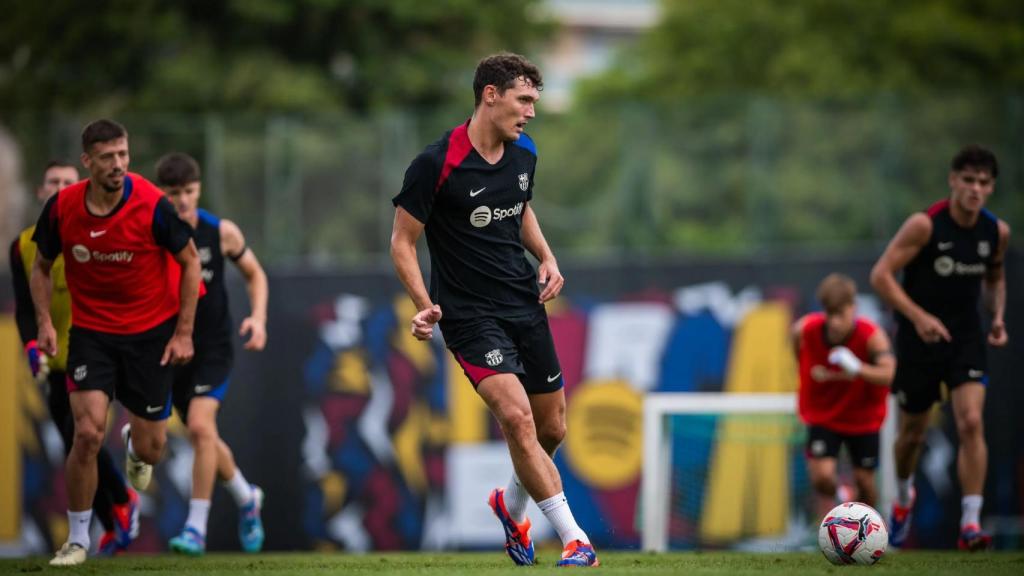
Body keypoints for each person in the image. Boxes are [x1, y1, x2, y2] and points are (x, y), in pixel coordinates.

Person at [390, 53, 597, 567]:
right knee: (516, 417)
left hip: (524, 305)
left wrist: (546, 256)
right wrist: (424, 305)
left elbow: (519, 205)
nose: (530, 112)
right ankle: (576, 540)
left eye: (534, 102)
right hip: (468, 316)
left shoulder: (524, 151)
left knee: (552, 430)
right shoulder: (435, 164)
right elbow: (401, 242)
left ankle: (511, 506)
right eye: (523, 100)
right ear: (490, 95)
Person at [30, 119, 202, 566]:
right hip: (92, 335)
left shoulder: (150, 202)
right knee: (85, 434)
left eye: (124, 154)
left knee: (152, 450)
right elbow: (41, 266)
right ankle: (78, 538)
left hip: (150, 338)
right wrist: (44, 324)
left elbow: (189, 263)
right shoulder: (63, 207)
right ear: (87, 162)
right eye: (108, 157)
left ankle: (135, 448)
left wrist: (183, 333)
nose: (119, 165)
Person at [870, 145, 1010, 551]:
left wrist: (997, 316)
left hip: (965, 339)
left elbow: (995, 279)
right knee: (912, 435)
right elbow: (881, 276)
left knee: (969, 422)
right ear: (953, 180)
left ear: (991, 187)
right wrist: (918, 316)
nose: (975, 189)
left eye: (984, 183)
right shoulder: (925, 226)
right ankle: (902, 497)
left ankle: (970, 523)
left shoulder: (995, 232)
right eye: (968, 180)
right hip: (918, 341)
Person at [10, 161, 140, 556]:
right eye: (54, 182)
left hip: (98, 353)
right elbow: (24, 307)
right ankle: (114, 516)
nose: (61, 187)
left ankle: (120, 500)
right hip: (57, 359)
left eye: (69, 182)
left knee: (83, 433)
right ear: (41, 190)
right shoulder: (24, 244)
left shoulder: (95, 233)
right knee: (75, 442)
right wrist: (32, 345)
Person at [155, 152, 267, 555]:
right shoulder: (151, 234)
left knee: (201, 428)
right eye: (172, 194)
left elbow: (255, 274)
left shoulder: (220, 232)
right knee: (201, 436)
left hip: (212, 349)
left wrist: (258, 318)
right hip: (167, 349)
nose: (182, 201)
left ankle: (195, 529)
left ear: (198, 189)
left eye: (188, 191)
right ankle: (246, 497)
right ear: (160, 195)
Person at [793, 273, 895, 520]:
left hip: (863, 417)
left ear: (853, 308)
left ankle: (867, 526)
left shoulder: (872, 336)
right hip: (824, 415)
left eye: (841, 313)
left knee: (866, 482)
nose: (835, 322)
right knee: (821, 478)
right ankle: (842, 496)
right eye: (830, 314)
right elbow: (797, 351)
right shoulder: (804, 330)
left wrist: (858, 368)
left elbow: (889, 374)